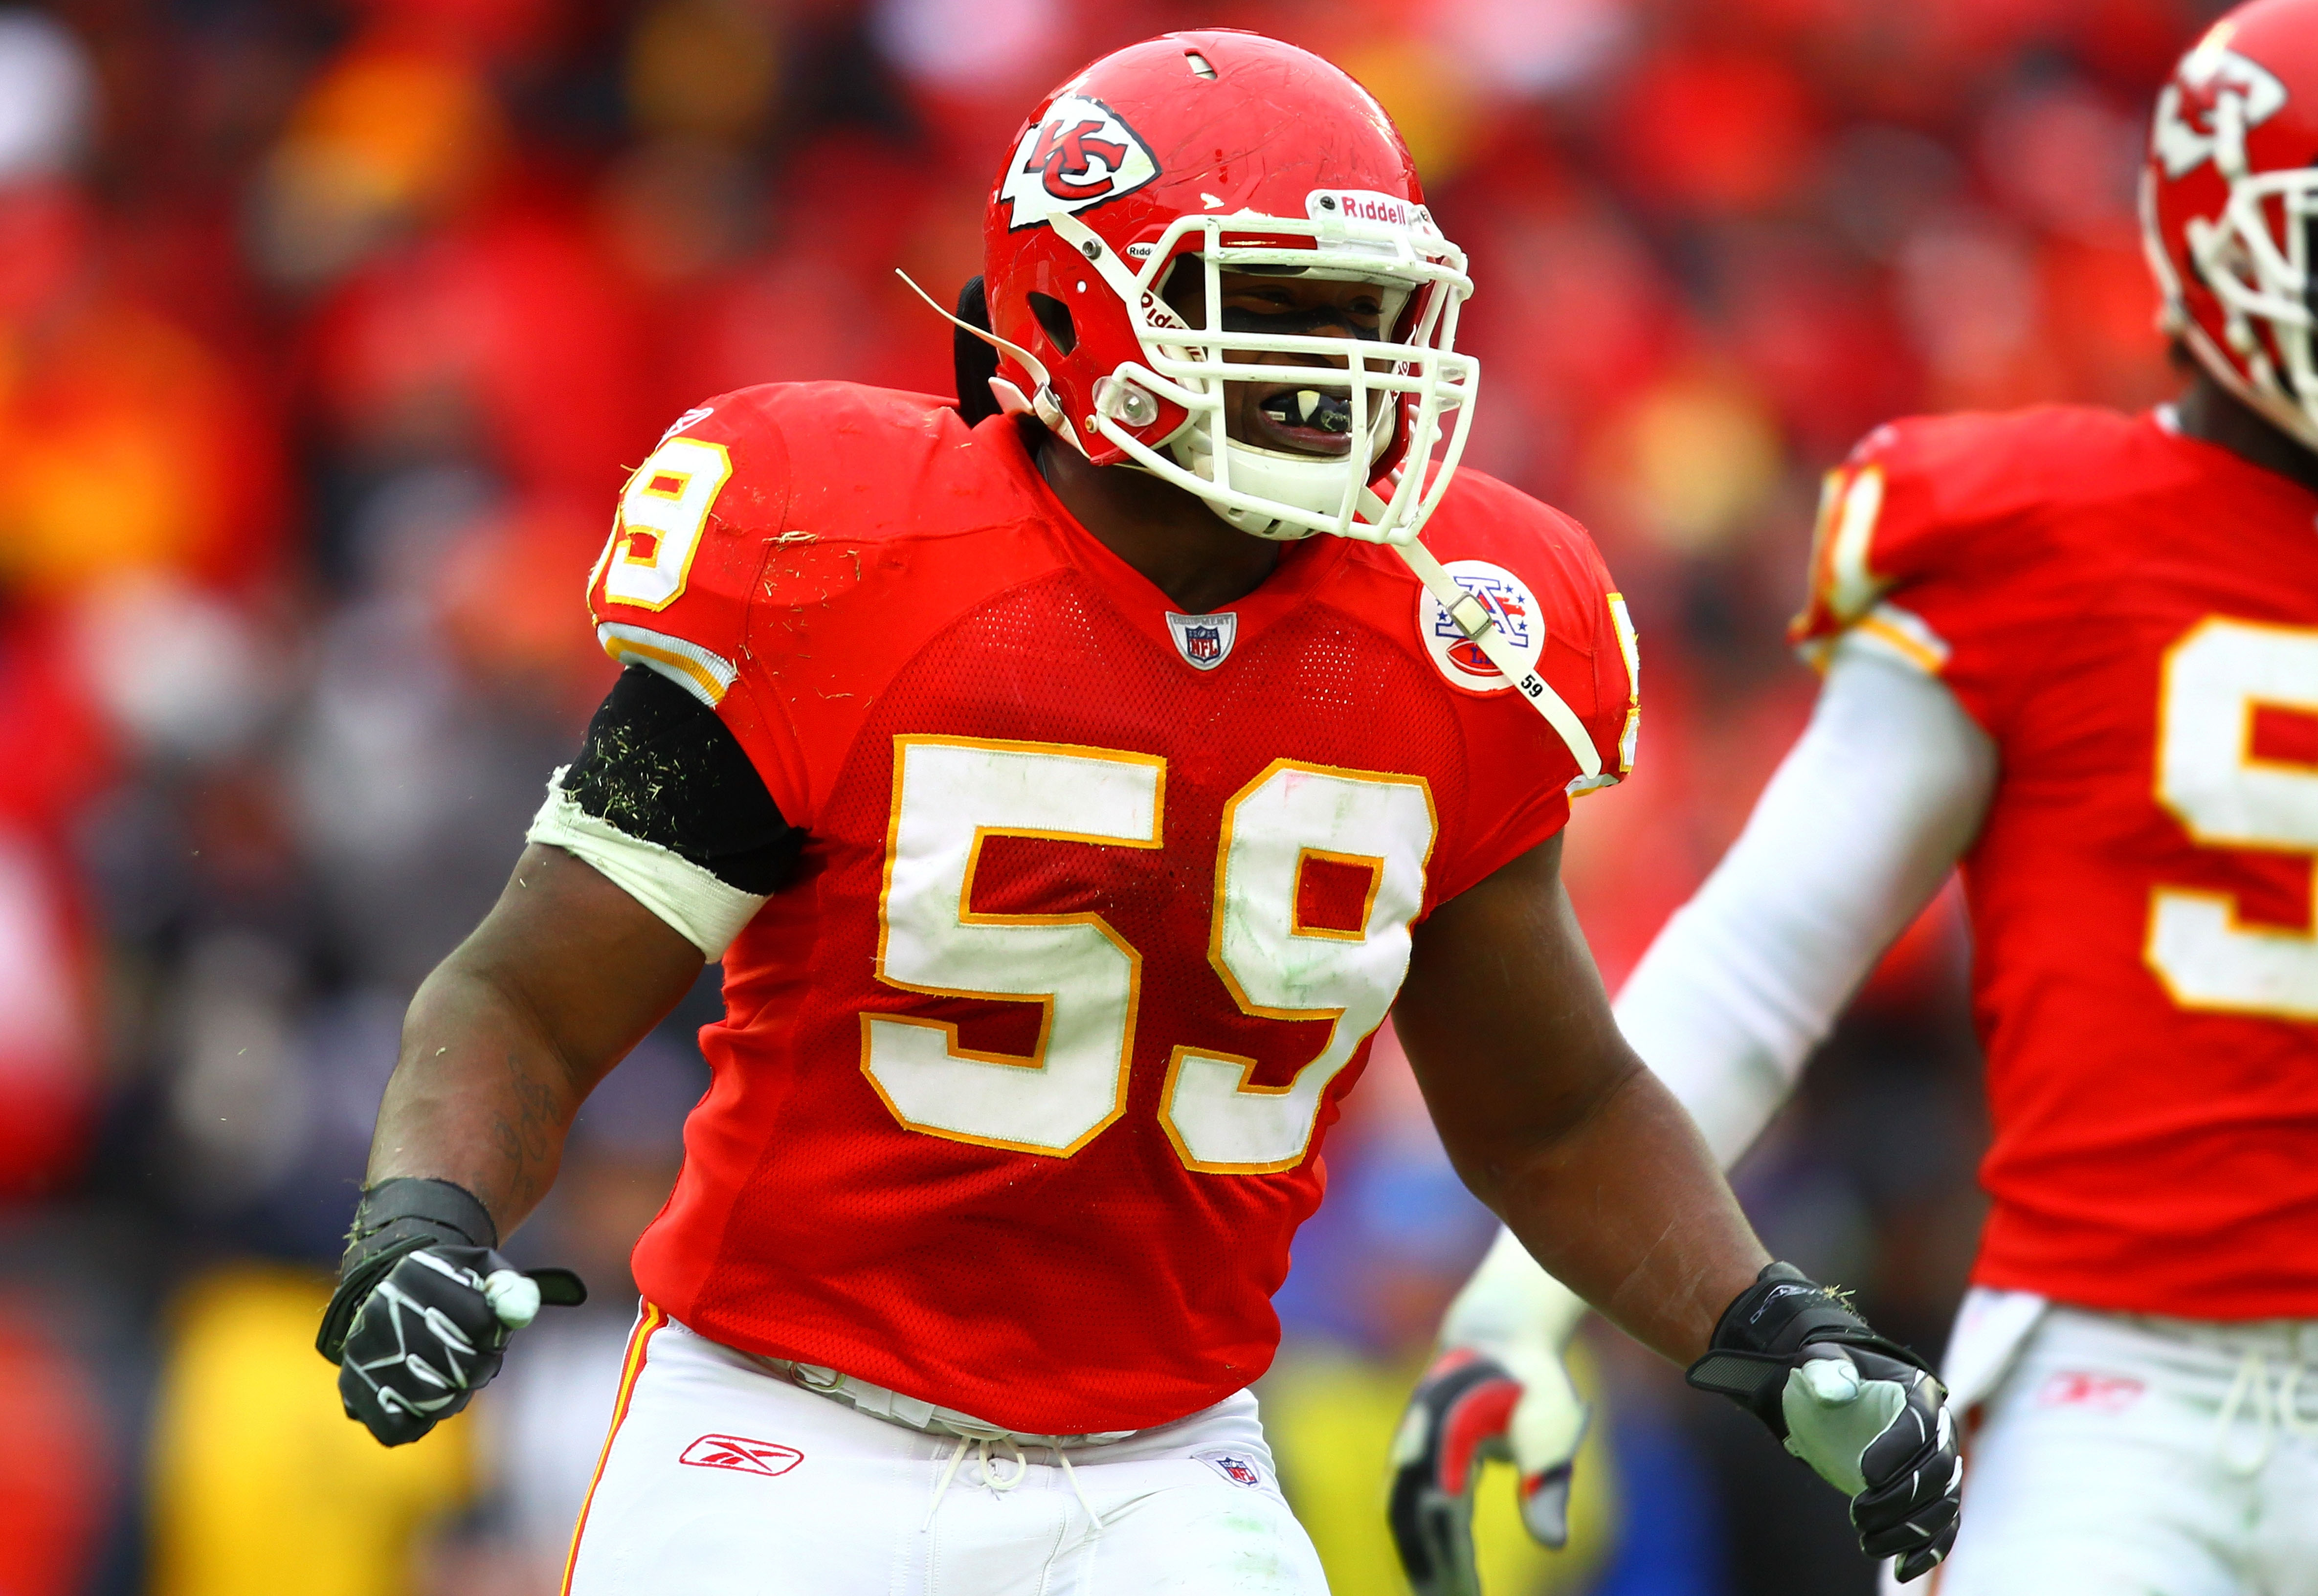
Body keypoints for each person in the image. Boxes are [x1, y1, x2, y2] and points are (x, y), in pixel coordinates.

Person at [312, 32, 1961, 1594]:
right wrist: (425, 1221)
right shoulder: (837, 560)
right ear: (1077, 301)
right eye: (1280, 303)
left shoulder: (1461, 635)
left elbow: (1551, 1110)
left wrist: (1768, 1325)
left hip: (1169, 1466)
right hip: (785, 1434)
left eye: (1371, 313)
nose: (1345, 372)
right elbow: (527, 992)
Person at [1388, 2, 2318, 1591]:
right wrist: (1515, 1304)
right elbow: (1759, 964)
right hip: (2112, 1395)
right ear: (2215, 232)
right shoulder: (2042, 534)